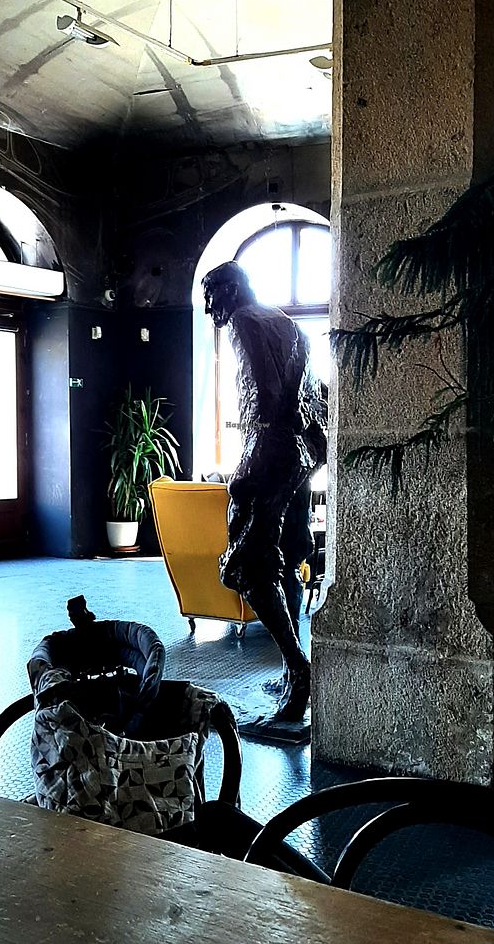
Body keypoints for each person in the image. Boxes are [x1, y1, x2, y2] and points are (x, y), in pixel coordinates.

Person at [202, 260, 327, 722]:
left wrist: (248, 471)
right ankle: (292, 669)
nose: (210, 308)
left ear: (232, 290)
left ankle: (298, 669)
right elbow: (314, 397)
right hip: (301, 456)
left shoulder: (244, 322)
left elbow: (265, 396)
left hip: (271, 453)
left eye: (212, 295)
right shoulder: (288, 324)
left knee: (247, 567)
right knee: (287, 556)